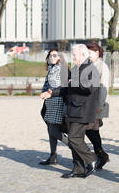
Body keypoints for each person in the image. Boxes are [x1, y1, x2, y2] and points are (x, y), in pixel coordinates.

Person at [41, 44, 99, 178]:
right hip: (73, 109)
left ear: (83, 55)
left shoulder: (91, 69)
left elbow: (90, 88)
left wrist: (74, 83)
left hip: (83, 110)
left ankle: (91, 158)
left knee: (73, 138)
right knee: (76, 138)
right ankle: (78, 168)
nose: (72, 58)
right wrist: (51, 93)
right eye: (72, 55)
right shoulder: (75, 69)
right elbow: (66, 88)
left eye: (74, 55)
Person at [39, 49, 69, 165]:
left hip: (58, 101)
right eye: (50, 55)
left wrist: (51, 93)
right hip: (49, 101)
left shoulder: (62, 69)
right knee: (50, 128)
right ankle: (53, 156)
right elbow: (46, 84)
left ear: (60, 57)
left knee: (53, 130)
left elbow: (64, 87)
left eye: (54, 55)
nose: (52, 57)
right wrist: (44, 94)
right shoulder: (51, 69)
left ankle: (74, 145)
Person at [85, 42, 110, 170]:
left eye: (90, 52)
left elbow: (104, 87)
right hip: (89, 104)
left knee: (89, 129)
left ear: (97, 53)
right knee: (93, 130)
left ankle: (100, 154)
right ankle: (100, 155)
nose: (88, 55)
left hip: (96, 105)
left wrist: (100, 104)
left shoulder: (102, 66)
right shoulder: (90, 65)